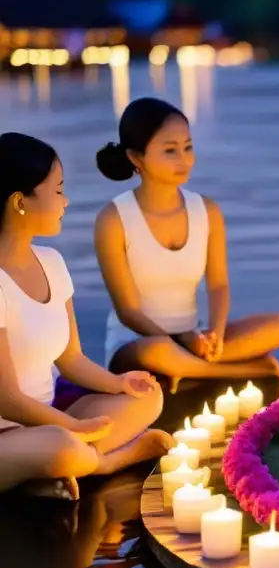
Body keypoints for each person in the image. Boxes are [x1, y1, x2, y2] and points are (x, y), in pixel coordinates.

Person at [0, 132, 171, 500]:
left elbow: (71, 359)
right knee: (62, 447)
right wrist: (76, 427)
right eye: (58, 190)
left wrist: (119, 384)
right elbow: (8, 400)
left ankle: (48, 474)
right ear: (20, 202)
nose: (66, 201)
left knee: (148, 397)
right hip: (8, 436)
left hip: (47, 420)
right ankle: (107, 461)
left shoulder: (52, 263)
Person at [94, 98, 279, 388]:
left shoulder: (207, 211)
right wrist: (183, 340)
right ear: (136, 157)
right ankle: (238, 371)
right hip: (138, 343)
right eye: (170, 151)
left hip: (193, 336)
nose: (184, 159)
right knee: (159, 351)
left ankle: (195, 364)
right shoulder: (113, 219)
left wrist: (217, 335)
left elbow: (218, 285)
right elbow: (128, 311)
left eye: (188, 147)